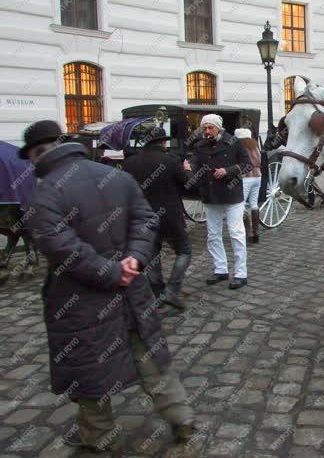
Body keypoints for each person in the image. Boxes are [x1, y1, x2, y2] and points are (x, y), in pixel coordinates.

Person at [20, 120, 197, 453]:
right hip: (131, 288)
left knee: (88, 370)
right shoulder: (116, 175)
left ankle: (97, 434)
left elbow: (63, 249)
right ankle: (181, 416)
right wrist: (134, 260)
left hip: (81, 298)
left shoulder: (44, 194)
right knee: (149, 355)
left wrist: (115, 271)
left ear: (36, 155)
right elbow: (146, 220)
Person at [122, 126, 192, 309]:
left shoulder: (130, 163)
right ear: (163, 142)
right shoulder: (172, 161)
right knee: (184, 251)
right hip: (170, 216)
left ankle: (158, 293)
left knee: (152, 255)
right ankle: (172, 289)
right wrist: (189, 170)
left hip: (143, 217)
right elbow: (189, 185)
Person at [184, 114, 250, 289]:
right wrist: (189, 169)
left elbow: (247, 163)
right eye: (204, 128)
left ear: (218, 128)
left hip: (232, 196)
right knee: (213, 235)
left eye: (210, 127)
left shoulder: (233, 142)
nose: (207, 131)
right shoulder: (199, 146)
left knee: (236, 234)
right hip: (211, 196)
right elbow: (195, 168)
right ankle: (221, 269)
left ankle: (241, 273)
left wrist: (227, 171)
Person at [235, 127, 262, 244]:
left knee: (241, 205)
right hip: (257, 177)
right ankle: (256, 233)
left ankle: (248, 232)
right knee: (254, 204)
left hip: (245, 178)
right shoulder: (255, 146)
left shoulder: (240, 147)